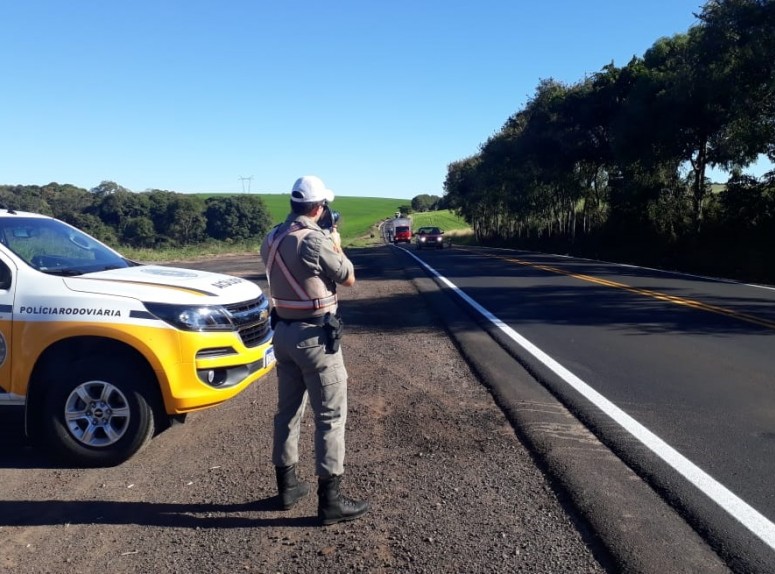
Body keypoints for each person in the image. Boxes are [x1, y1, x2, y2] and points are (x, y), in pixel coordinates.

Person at [259, 175, 369, 526]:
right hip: (315, 340)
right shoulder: (316, 240)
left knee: (287, 413)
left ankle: (287, 486)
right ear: (319, 207)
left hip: (283, 335)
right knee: (330, 418)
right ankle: (330, 502)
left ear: (293, 204)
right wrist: (336, 242)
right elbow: (348, 277)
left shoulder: (272, 238)